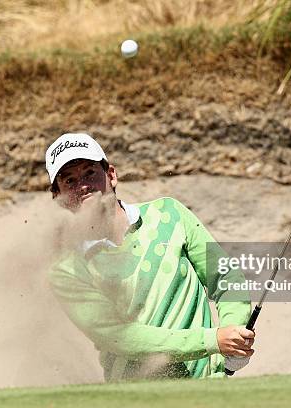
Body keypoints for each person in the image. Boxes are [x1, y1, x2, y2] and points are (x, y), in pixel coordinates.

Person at [46, 132, 254, 380]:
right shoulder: (66, 269)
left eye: (90, 172)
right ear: (58, 198)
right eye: (69, 181)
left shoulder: (169, 214)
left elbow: (225, 276)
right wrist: (213, 340)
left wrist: (234, 336)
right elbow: (120, 337)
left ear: (111, 175)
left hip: (209, 388)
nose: (83, 186)